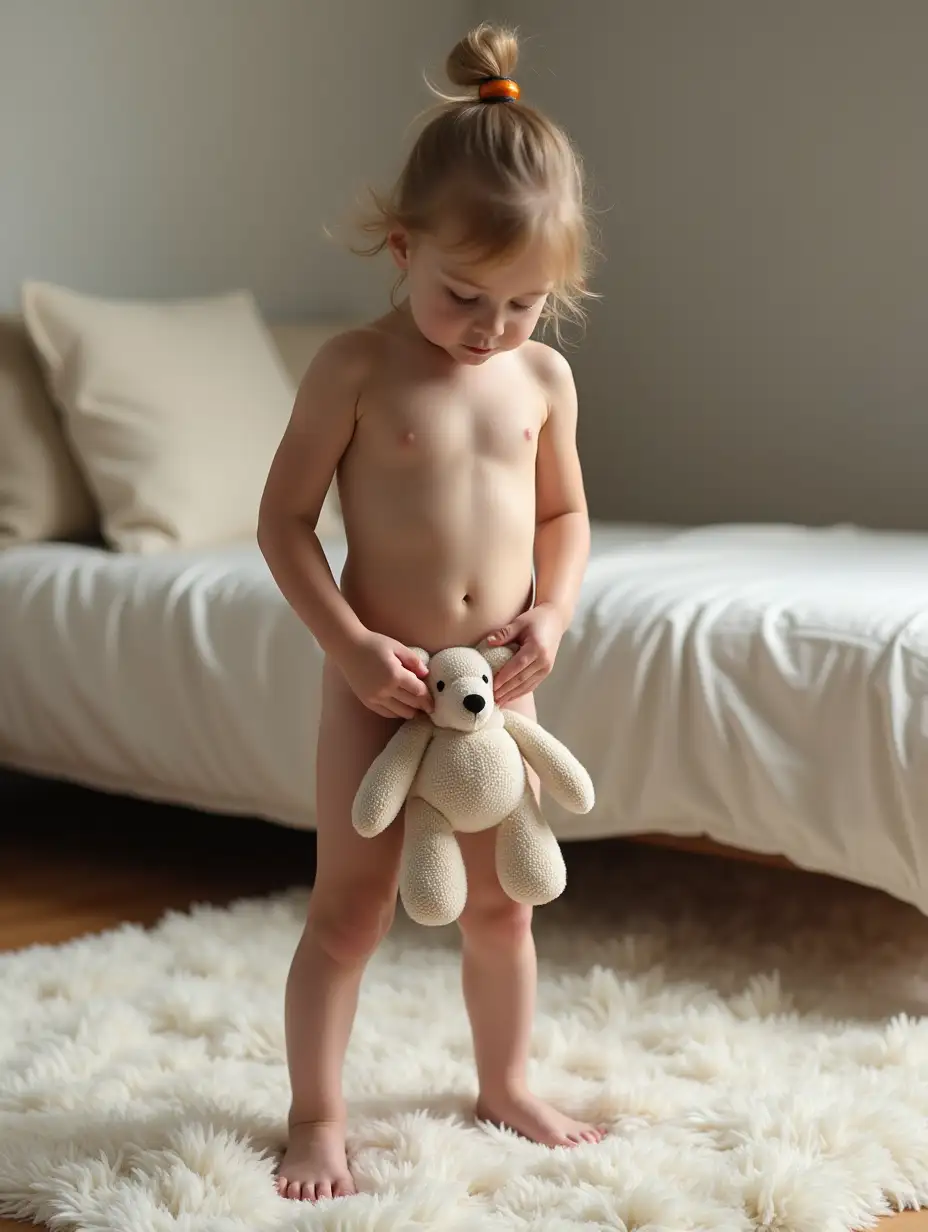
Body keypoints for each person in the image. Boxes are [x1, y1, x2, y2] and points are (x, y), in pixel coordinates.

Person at [257, 21, 601, 1204]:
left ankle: (504, 1079)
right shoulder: (354, 367)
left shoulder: (542, 381)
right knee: (348, 909)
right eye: (465, 294)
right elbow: (283, 524)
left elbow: (564, 519)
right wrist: (350, 646)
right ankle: (316, 1114)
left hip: (498, 690)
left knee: (503, 907)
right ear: (401, 249)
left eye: (525, 302)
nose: (493, 326)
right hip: (381, 684)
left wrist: (551, 612)